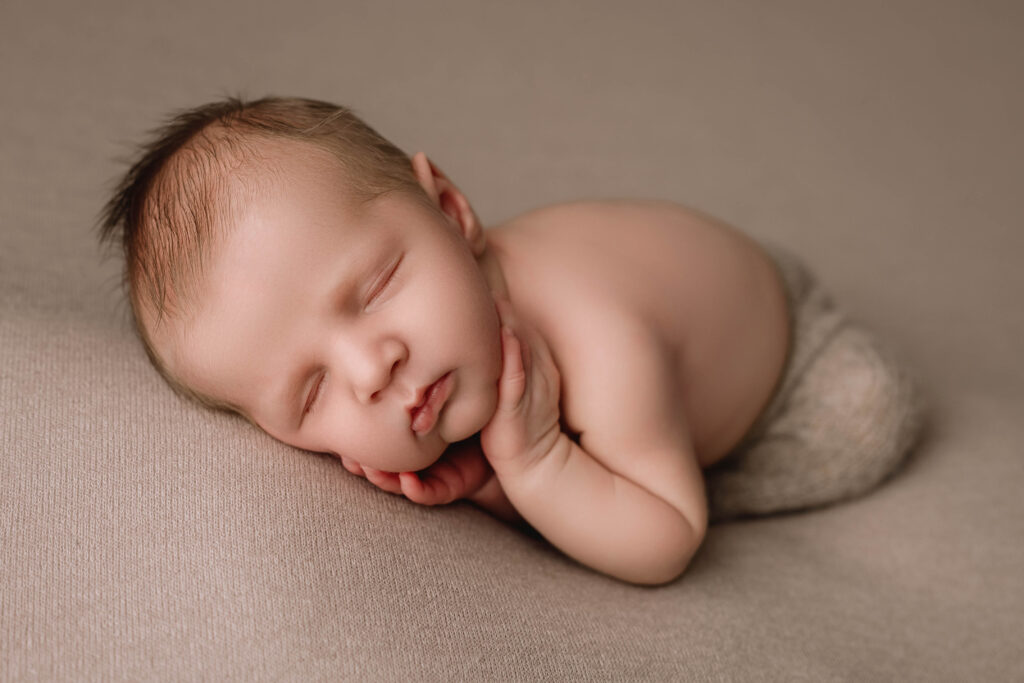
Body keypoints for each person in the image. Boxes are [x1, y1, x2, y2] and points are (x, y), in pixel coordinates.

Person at [99, 96, 925, 585]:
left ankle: (701, 450)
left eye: (378, 286)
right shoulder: (443, 327)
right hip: (698, 286)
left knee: (871, 413)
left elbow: (668, 537)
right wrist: (490, 483)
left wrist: (530, 466)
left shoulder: (601, 344)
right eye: (308, 393)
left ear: (453, 212)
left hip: (787, 359)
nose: (369, 369)